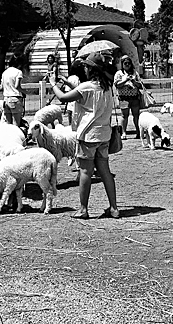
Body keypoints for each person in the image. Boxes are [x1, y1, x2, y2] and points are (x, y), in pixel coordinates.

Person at [49, 53, 119, 220]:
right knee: (105, 172)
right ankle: (114, 208)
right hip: (104, 135)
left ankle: (83, 209)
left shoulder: (86, 87)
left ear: (90, 68)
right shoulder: (107, 86)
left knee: (85, 171)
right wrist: (66, 82)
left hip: (88, 135)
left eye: (86, 66)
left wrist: (53, 84)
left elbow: (62, 97)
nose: (84, 69)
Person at [114, 55, 143, 140]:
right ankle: (124, 133)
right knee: (124, 116)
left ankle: (138, 132)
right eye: (125, 63)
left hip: (134, 97)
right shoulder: (119, 73)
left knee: (136, 115)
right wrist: (126, 80)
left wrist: (134, 81)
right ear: (122, 64)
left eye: (129, 63)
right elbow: (117, 85)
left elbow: (140, 85)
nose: (127, 65)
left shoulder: (135, 73)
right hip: (124, 98)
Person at [1, 54, 25, 125]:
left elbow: (1, 87)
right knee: (16, 124)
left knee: (9, 124)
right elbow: (17, 86)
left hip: (6, 99)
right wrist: (24, 92)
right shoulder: (18, 72)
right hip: (15, 98)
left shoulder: (4, 72)